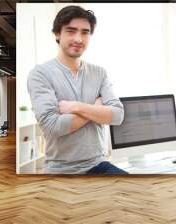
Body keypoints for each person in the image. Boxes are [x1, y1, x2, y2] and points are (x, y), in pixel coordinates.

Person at [27, 5, 128, 175]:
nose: (79, 39)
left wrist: (76, 107)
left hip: (98, 164)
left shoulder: (99, 73)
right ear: (57, 34)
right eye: (71, 31)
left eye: (85, 32)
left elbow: (118, 115)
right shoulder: (40, 74)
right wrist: (96, 109)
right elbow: (52, 126)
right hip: (60, 170)